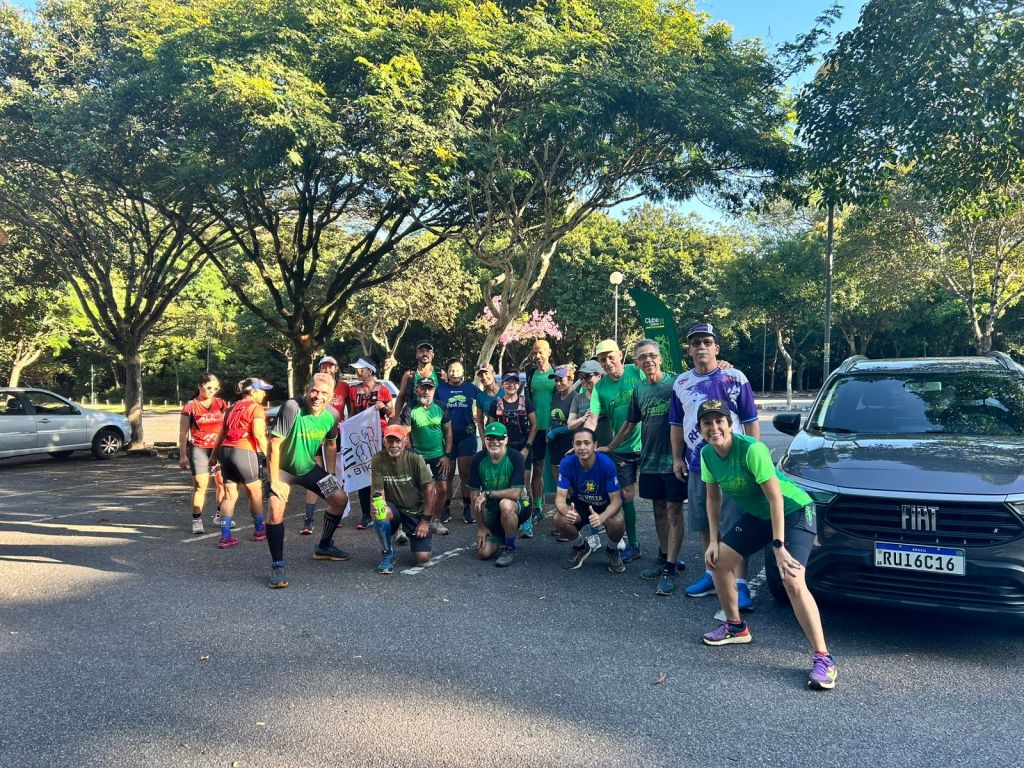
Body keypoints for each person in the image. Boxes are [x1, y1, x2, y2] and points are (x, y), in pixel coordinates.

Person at [695, 399, 837, 690]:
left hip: (794, 510)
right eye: (707, 423)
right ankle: (736, 627)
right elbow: (712, 498)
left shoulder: (751, 450)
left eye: (719, 421)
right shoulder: (707, 454)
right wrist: (713, 540)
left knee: (793, 580)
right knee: (719, 562)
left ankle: (824, 658)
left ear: (729, 424)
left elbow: (776, 498)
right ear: (700, 428)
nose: (714, 427)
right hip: (759, 514)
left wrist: (778, 545)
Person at [669, 322, 759, 609]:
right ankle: (711, 575)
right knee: (705, 523)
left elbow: (750, 420)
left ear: (716, 348)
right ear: (689, 350)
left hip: (734, 465)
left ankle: (740, 583)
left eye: (707, 342)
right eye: (696, 343)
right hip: (697, 464)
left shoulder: (735, 377)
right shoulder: (681, 383)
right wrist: (676, 457)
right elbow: (675, 424)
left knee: (735, 524)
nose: (701, 347)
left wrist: (753, 459)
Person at [604, 339, 682, 594]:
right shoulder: (639, 390)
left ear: (660, 358)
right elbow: (629, 423)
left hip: (674, 460)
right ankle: (664, 555)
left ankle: (670, 567)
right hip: (650, 460)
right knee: (659, 510)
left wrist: (724, 366)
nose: (648, 360)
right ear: (636, 363)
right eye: (642, 357)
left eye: (651, 356)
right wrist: (610, 446)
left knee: (673, 511)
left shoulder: (677, 383)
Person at [265, 373, 349, 589]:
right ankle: (277, 565)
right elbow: (274, 443)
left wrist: (330, 473)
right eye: (314, 391)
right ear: (306, 390)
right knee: (275, 509)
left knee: (340, 499)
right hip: (282, 470)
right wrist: (274, 481)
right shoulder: (292, 407)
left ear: (331, 396)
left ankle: (324, 546)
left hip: (308, 468)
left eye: (323, 393)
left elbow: (331, 444)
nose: (317, 396)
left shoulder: (331, 415)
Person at [584, 339, 646, 562]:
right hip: (621, 449)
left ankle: (668, 553)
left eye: (611, 357)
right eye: (603, 359)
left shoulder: (636, 371)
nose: (608, 362)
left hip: (649, 445)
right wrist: (584, 441)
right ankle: (634, 544)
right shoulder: (600, 387)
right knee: (627, 495)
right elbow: (592, 418)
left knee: (662, 502)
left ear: (620, 354)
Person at [210, 377, 273, 548]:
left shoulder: (231, 408)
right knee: (255, 493)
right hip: (243, 451)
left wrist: (214, 455)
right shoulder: (256, 408)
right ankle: (260, 530)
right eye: (262, 390)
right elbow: (259, 435)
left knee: (230, 494)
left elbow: (222, 433)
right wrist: (271, 457)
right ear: (253, 391)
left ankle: (225, 537)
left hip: (226, 451)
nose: (264, 394)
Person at [553, 428, 625, 574]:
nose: (582, 447)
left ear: (595, 445)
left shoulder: (606, 464)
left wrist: (602, 517)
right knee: (559, 518)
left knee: (617, 520)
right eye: (578, 443)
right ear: (573, 446)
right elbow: (560, 499)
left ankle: (612, 550)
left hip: (603, 506)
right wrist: (567, 512)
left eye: (587, 443)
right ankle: (581, 547)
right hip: (579, 505)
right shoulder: (566, 463)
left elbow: (616, 501)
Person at [369, 425, 438, 574]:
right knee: (380, 511)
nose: (394, 445)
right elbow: (378, 492)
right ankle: (388, 553)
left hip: (415, 510)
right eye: (390, 441)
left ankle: (410, 530)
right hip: (394, 508)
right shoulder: (378, 459)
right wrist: (378, 507)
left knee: (423, 558)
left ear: (405, 441)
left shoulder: (415, 458)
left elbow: (430, 489)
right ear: (384, 442)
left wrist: (425, 521)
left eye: (398, 441)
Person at [467, 422, 529, 568]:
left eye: (499, 438)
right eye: (490, 438)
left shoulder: (516, 457)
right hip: (494, 510)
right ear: (485, 440)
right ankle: (504, 534)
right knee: (484, 553)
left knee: (505, 504)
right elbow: (474, 496)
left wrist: (488, 494)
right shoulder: (477, 460)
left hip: (520, 506)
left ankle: (509, 548)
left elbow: (515, 493)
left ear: (506, 439)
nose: (495, 441)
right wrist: (481, 526)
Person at [301, 355, 350, 536]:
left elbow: (351, 409)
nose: (327, 369)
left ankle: (334, 513)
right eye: (324, 366)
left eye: (330, 366)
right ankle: (308, 520)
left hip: (335, 436)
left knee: (333, 477)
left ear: (336, 369)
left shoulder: (344, 386)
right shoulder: (315, 386)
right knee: (315, 477)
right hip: (315, 437)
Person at [346, 356, 394, 530]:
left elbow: (392, 412)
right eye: (356, 369)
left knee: (380, 472)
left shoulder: (383, 389)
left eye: (361, 369)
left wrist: (384, 407)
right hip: (360, 438)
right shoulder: (353, 390)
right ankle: (366, 514)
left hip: (379, 436)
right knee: (362, 474)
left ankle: (384, 509)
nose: (358, 372)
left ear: (370, 371)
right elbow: (352, 414)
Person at [487, 371, 538, 537]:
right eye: (508, 382)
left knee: (524, 486)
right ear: (502, 384)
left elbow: (534, 426)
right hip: (504, 451)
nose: (511, 385)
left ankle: (527, 520)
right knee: (505, 485)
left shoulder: (526, 402)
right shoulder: (496, 404)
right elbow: (491, 428)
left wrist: (527, 448)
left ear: (519, 384)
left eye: (514, 382)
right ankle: (503, 517)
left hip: (523, 449)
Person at [179, 373, 228, 534]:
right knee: (201, 486)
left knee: (222, 483)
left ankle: (220, 516)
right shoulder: (191, 406)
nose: (212, 391)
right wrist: (183, 455)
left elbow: (227, 427)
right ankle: (197, 520)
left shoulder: (221, 404)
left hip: (218, 448)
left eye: (216, 388)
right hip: (199, 448)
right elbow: (183, 432)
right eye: (209, 387)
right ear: (200, 386)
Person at [436, 361, 479, 525]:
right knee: (447, 473)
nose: (454, 373)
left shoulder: (470, 388)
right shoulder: (440, 390)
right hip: (447, 437)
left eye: (457, 370)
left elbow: (485, 400)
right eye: (451, 370)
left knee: (465, 473)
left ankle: (467, 507)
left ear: (463, 372)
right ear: (447, 373)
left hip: (466, 435)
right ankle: (445, 507)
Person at [407, 378, 452, 535]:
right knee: (413, 489)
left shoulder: (441, 407)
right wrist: (411, 455)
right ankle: (409, 521)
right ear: (417, 389)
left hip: (438, 454)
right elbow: (406, 434)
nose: (426, 392)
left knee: (442, 488)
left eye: (430, 389)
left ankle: (436, 520)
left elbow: (448, 432)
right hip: (417, 454)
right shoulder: (410, 407)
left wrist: (447, 455)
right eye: (423, 388)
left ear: (434, 390)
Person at [524, 339, 556, 522]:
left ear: (549, 352)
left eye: (540, 352)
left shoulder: (557, 372)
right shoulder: (530, 373)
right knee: (537, 469)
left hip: (554, 429)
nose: (537, 356)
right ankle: (537, 507)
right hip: (535, 429)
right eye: (534, 352)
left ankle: (563, 507)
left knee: (558, 469)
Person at [395, 341, 446, 422]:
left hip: (436, 418)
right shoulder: (409, 375)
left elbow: (446, 396)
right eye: (421, 351)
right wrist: (396, 418)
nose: (425, 354)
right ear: (416, 355)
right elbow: (401, 396)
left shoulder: (440, 374)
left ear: (433, 355)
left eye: (428, 351)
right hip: (414, 417)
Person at [545, 364, 577, 467]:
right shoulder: (556, 395)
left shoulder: (575, 397)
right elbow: (553, 416)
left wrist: (556, 431)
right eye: (556, 380)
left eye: (561, 380)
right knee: (556, 473)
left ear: (570, 380)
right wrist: (549, 429)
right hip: (554, 443)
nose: (558, 383)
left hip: (568, 442)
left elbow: (576, 424)